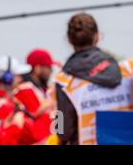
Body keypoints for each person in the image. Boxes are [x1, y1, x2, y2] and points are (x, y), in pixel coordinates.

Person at [54, 12, 133, 145]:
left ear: (69, 40)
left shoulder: (63, 81)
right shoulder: (128, 69)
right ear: (97, 36)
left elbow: (63, 131)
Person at [12, 49, 58, 144]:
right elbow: (35, 129)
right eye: (48, 67)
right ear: (37, 68)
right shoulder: (25, 89)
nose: (51, 70)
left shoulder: (40, 89)